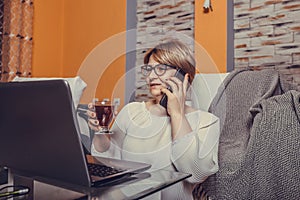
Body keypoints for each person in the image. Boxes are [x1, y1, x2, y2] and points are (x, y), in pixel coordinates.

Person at [87, 40, 220, 199]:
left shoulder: (207, 122)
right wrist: (100, 132)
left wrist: (177, 115)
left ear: (184, 76)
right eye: (148, 69)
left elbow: (195, 174)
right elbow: (107, 163)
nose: (151, 76)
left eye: (161, 68)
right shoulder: (132, 111)